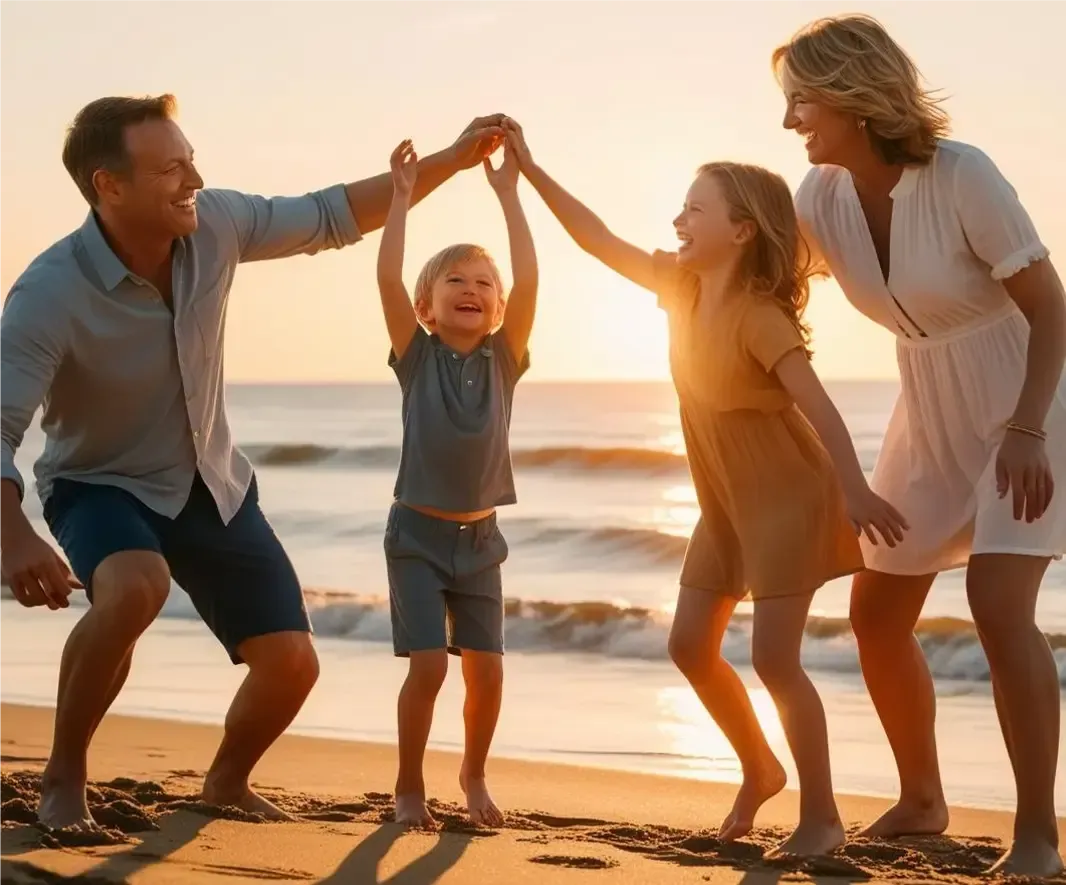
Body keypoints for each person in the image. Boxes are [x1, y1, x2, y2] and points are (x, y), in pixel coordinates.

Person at [0, 93, 506, 830]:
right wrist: (15, 537)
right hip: (100, 483)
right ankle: (63, 773)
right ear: (109, 185)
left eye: (192, 159)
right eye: (171, 168)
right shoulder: (49, 293)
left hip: (211, 481)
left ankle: (225, 782)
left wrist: (453, 162)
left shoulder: (219, 224)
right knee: (138, 584)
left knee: (293, 665)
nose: (193, 177)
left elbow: (333, 214)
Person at [502, 119, 907, 856]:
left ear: (743, 230)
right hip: (722, 503)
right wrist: (528, 171)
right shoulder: (680, 288)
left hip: (787, 496)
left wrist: (854, 488)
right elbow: (596, 238)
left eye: (696, 208)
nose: (678, 219)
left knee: (776, 660)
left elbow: (818, 406)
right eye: (681, 207)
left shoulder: (759, 316)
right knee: (690, 644)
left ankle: (822, 816)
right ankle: (759, 765)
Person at [774, 15, 1066, 877]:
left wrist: (1025, 429)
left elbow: (1052, 307)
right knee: (876, 611)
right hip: (928, 406)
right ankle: (924, 798)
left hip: (1029, 399)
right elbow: (766, 285)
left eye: (801, 102)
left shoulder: (962, 175)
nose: (791, 121)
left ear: (855, 98)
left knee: (997, 600)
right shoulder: (819, 198)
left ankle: (1040, 835)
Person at [376, 134, 537, 828]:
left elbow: (529, 279)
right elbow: (386, 279)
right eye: (455, 282)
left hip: (481, 543)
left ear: (498, 307)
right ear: (426, 307)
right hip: (415, 536)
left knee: (488, 669)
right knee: (428, 667)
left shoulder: (505, 360)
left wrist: (509, 193)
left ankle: (472, 774)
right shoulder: (417, 358)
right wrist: (401, 200)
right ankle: (409, 784)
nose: (472, 291)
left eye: (483, 284)